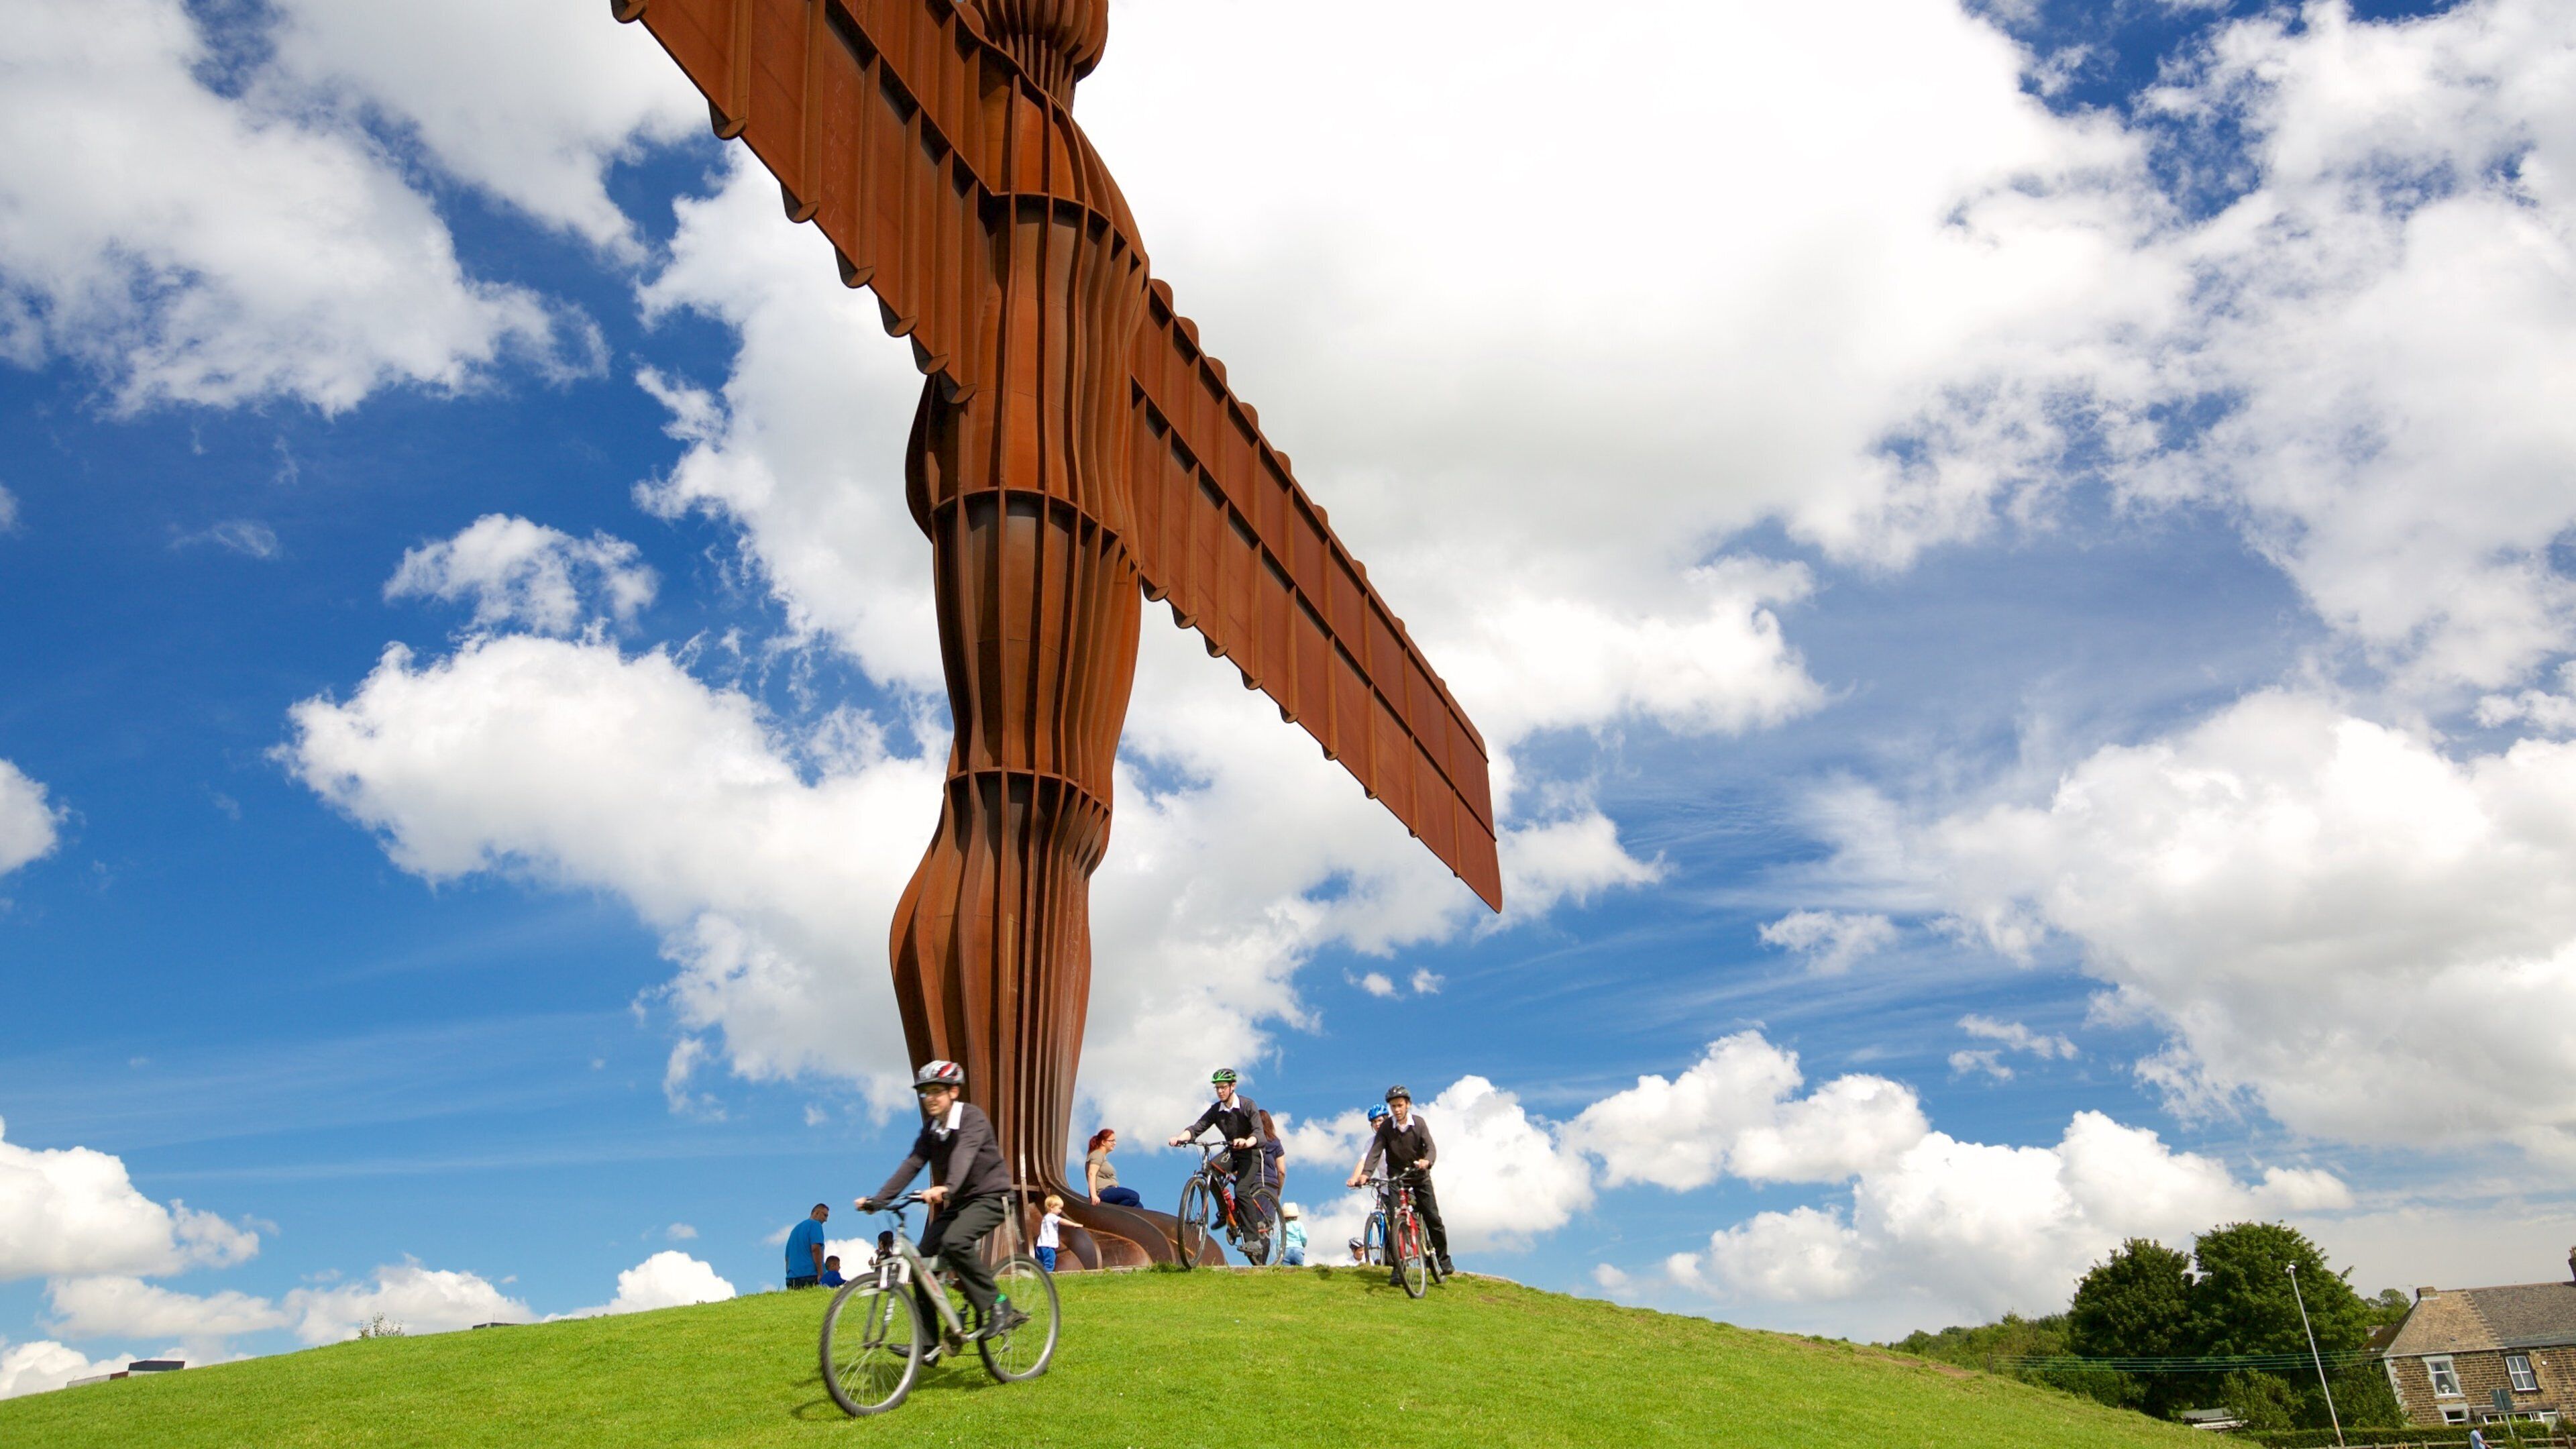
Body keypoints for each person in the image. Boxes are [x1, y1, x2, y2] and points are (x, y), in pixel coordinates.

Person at [856, 1060, 1025, 1344]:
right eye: (925, 1093)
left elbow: (964, 1154)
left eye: (936, 1091)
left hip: (991, 1196)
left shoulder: (972, 1119)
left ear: (954, 1092)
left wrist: (947, 1187)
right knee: (922, 1263)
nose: (930, 1098)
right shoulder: (931, 1131)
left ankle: (1000, 1305)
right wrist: (879, 1200)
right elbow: (912, 1164)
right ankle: (928, 1343)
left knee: (956, 1241)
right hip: (960, 1201)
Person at [1348, 1084, 1450, 1279]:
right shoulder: (1386, 1129)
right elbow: (1374, 1153)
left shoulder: (1418, 1124)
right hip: (1396, 1179)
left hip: (1419, 1176)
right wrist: (1365, 1174)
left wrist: (1427, 1161)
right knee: (1396, 1224)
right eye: (1393, 1106)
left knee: (1433, 1218)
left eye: (1400, 1105)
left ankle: (1444, 1260)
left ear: (1408, 1105)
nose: (1397, 1109)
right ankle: (1398, 1269)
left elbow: (1430, 1147)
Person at [1168, 1069, 1266, 1232]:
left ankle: (1253, 1239)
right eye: (1217, 1088)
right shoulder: (1216, 1110)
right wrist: (1180, 1138)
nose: (1220, 1091)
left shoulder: (1247, 1105)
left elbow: (1259, 1134)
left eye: (1223, 1087)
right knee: (1210, 1171)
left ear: (1232, 1086)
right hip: (1232, 1152)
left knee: (1241, 1190)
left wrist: (1246, 1142)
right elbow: (1197, 1128)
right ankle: (1225, 1212)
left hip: (1251, 1153)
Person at [1084, 1128, 1142, 1208]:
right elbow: (1091, 1174)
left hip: (1112, 1190)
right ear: (1103, 1142)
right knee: (1134, 1197)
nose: (1115, 1143)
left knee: (1138, 1206)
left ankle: (1121, 1217)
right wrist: (1094, 1195)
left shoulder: (1102, 1157)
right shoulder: (1097, 1154)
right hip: (1103, 1191)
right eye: (1112, 1141)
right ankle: (1114, 1213)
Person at [786, 1202, 829, 1288]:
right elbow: (816, 1249)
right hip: (810, 1276)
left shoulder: (795, 1230)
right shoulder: (816, 1225)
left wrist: (789, 1275)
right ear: (816, 1213)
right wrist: (821, 1273)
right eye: (825, 1215)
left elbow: (787, 1258)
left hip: (792, 1278)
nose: (826, 1220)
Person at [1256, 1108, 1286, 1198]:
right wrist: (1278, 1191)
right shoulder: (1276, 1144)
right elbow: (1281, 1172)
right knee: (1266, 1212)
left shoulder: (1250, 1143)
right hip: (1270, 1186)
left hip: (1251, 1185)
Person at [1036, 1194, 1065, 1273]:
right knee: (1049, 1264)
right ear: (1052, 1207)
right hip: (1048, 1246)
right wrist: (1074, 1224)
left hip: (1040, 1246)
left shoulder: (1045, 1217)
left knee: (1040, 1264)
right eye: (1059, 1208)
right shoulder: (1052, 1216)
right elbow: (1062, 1221)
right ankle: (1047, 1278)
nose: (1060, 1211)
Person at [1279, 1202, 1307, 1267]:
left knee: (1286, 1271)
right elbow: (1304, 1237)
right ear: (1296, 1216)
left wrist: (1279, 1253)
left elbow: (1279, 1241)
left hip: (1285, 1251)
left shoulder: (1283, 1226)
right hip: (1298, 1251)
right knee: (1299, 1270)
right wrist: (1303, 1244)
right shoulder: (1300, 1225)